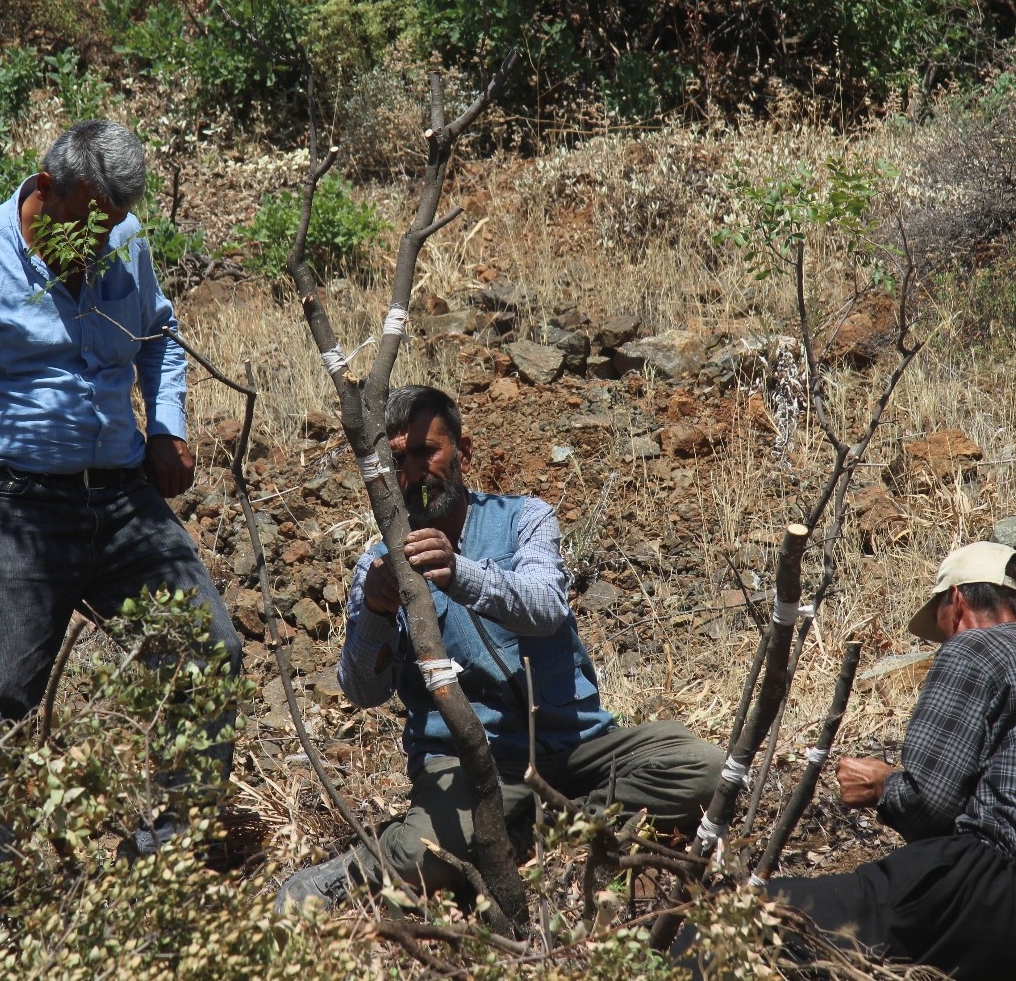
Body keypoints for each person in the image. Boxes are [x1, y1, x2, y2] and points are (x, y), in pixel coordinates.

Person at [0, 119, 240, 901]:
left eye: (110, 226)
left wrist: (168, 426)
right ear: (44, 191)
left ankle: (165, 872)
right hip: (13, 507)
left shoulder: (125, 238)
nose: (96, 242)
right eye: (85, 222)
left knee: (207, 652)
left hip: (120, 498)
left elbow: (163, 337)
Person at [278, 385, 725, 907]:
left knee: (706, 771)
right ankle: (360, 867)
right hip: (468, 764)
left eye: (428, 451)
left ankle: (525, 828)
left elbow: (544, 606)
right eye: (399, 459)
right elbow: (362, 690)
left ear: (462, 453)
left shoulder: (524, 518)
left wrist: (460, 573)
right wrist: (376, 613)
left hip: (573, 745)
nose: (415, 471)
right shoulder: (376, 564)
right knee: (424, 858)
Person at [765, 542, 1016, 981]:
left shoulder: (973, 648)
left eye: (939, 620)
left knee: (754, 918)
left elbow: (929, 802)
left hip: (983, 890)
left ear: (956, 600)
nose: (943, 638)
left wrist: (882, 787)